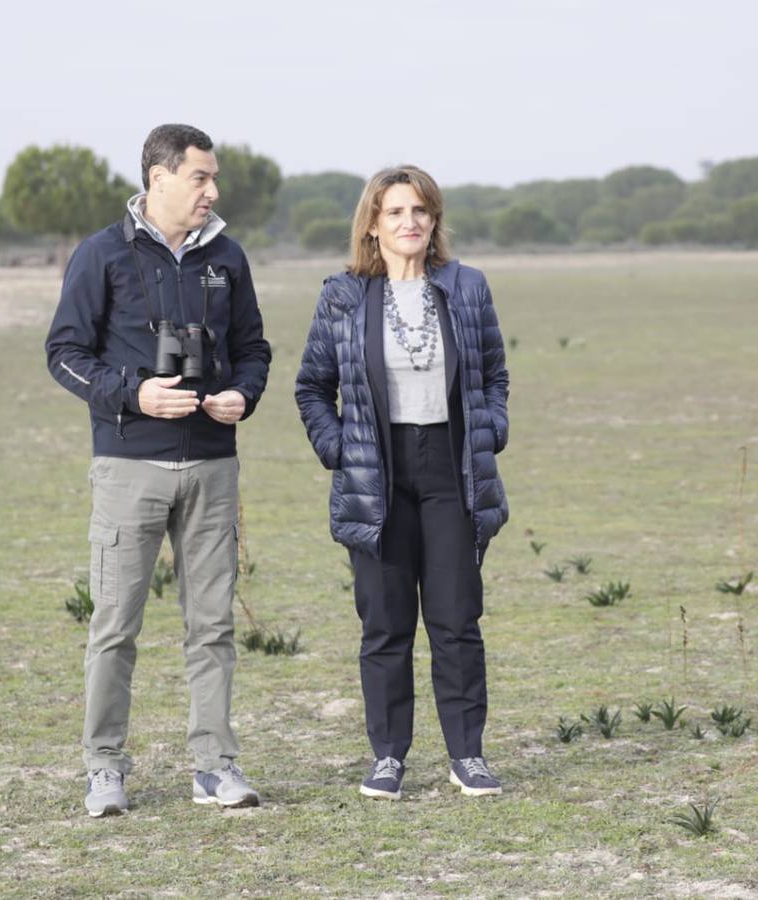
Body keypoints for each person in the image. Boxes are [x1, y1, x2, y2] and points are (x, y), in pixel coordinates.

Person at [46, 123, 271, 816]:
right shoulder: (102, 254)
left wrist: (243, 395)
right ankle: (103, 768)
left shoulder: (227, 256)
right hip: (128, 466)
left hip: (213, 466)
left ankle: (215, 767)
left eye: (214, 177)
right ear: (159, 177)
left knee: (213, 627)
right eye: (201, 176)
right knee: (115, 626)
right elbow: (64, 354)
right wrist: (133, 394)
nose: (213, 190)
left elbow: (254, 349)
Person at [295, 165, 510, 800]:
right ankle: (388, 757)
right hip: (376, 473)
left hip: (451, 467)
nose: (409, 222)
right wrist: (339, 449)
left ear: (434, 219)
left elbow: (495, 373)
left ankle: (467, 754)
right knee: (385, 624)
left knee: (456, 619)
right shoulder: (343, 295)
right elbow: (312, 387)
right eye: (394, 212)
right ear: (372, 224)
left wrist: (491, 429)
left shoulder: (466, 287)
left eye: (420, 210)